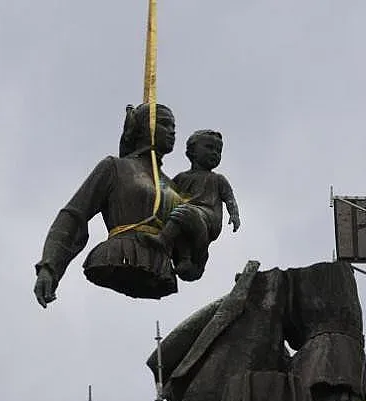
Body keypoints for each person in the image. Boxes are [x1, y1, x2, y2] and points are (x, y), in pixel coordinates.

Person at [33, 102, 184, 304]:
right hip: (118, 257)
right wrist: (48, 267)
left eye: (174, 127)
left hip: (159, 268)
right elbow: (73, 215)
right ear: (144, 128)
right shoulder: (116, 168)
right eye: (165, 124)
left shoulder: (172, 186)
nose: (172, 132)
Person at [151, 130, 240, 281]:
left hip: (208, 216)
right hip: (185, 212)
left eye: (218, 151)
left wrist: (234, 214)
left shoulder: (218, 179)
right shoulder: (182, 177)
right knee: (176, 214)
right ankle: (184, 259)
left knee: (184, 213)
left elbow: (229, 198)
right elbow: (167, 192)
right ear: (192, 152)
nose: (215, 153)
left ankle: (163, 241)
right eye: (209, 147)